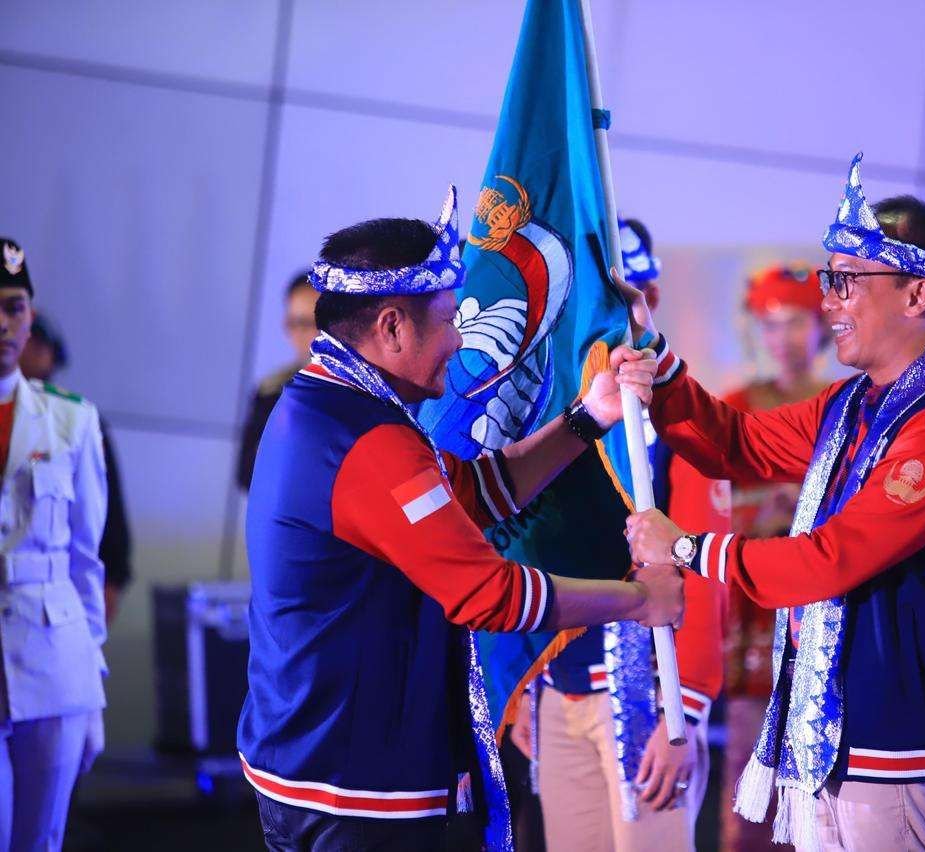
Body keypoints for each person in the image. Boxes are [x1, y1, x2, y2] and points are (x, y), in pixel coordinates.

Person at [236, 189, 685, 851]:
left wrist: (589, 417)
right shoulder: (367, 441)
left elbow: (472, 490)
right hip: (355, 788)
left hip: (321, 763)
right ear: (392, 327)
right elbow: (488, 594)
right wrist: (640, 599)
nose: (458, 342)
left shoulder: (324, 404)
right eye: (448, 320)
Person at [625, 153, 925, 851]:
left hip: (894, 744)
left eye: (847, 280)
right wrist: (655, 358)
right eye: (829, 279)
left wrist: (684, 548)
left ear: (917, 295)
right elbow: (737, 444)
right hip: (835, 736)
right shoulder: (856, 404)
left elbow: (828, 562)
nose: (828, 300)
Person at [508, 217, 727, 852]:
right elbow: (527, 549)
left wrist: (684, 711)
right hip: (557, 688)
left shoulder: (682, 422)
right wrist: (524, 687)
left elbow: (707, 576)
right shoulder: (552, 421)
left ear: (647, 299)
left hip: (646, 694)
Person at [0, 237, 108, 849]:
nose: (2, 323)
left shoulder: (72, 419)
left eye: (13, 307)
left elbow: (84, 561)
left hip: (54, 662)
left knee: (41, 839)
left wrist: (93, 689)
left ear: (30, 316)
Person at [718, 262, 828, 852]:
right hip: (758, 604)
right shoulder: (738, 406)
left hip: (825, 593)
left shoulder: (845, 404)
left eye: (796, 323)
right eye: (772, 324)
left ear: (822, 327)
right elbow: (708, 504)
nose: (783, 338)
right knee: (749, 756)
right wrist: (767, 505)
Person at [20, 315, 133, 623]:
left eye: (40, 342)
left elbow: (108, 516)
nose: (32, 349)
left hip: (54, 601)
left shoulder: (78, 424)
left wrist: (110, 583)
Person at [235, 271, 318, 491]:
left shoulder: (361, 389)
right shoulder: (272, 390)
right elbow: (246, 474)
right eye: (297, 323)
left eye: (313, 322)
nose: (308, 334)